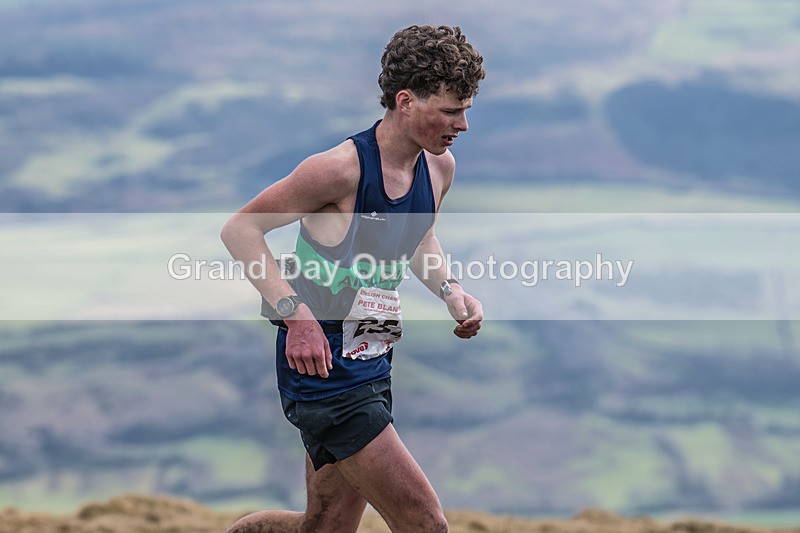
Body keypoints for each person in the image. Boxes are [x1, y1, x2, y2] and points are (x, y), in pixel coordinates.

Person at [221, 24, 485, 533]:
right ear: (406, 101)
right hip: (323, 373)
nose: (464, 124)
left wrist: (451, 291)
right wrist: (294, 313)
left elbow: (419, 240)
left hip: (374, 359)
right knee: (426, 524)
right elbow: (241, 230)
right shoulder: (339, 170)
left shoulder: (439, 169)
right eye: (452, 110)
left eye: (466, 109)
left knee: (322, 528)